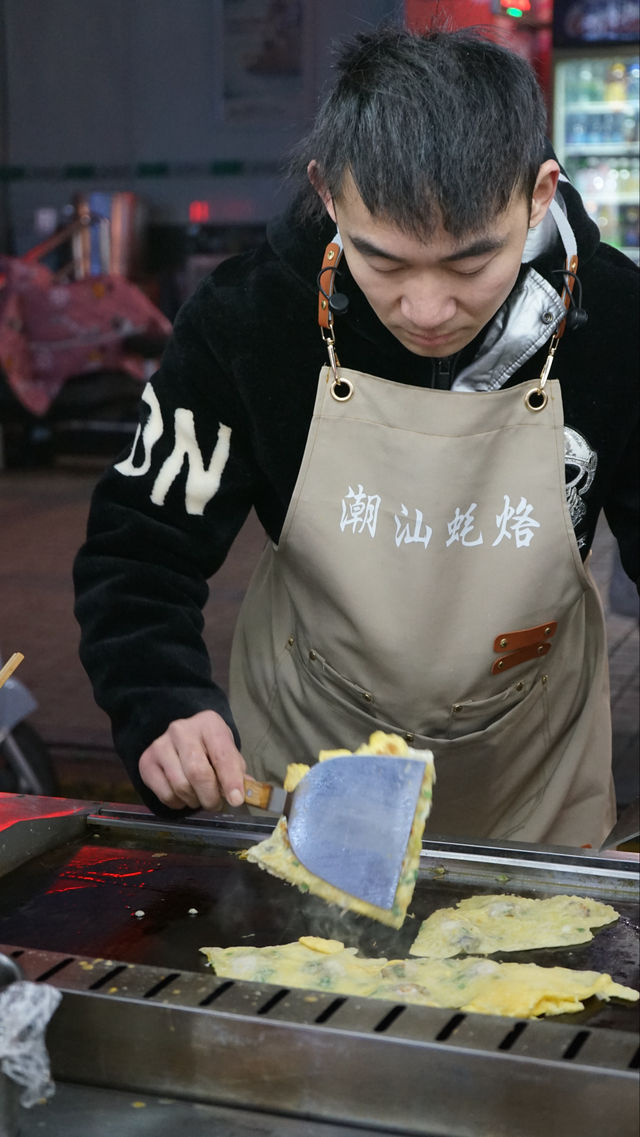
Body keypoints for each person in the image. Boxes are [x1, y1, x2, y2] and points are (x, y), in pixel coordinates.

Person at [73, 25, 638, 848]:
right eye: (387, 264)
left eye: (470, 264)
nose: (427, 309)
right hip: (309, 767)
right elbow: (140, 545)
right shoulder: (250, 320)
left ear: (539, 193)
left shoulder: (616, 322)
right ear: (329, 196)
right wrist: (161, 700)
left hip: (533, 775)